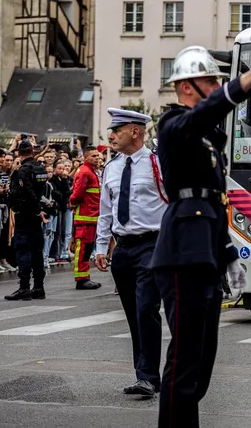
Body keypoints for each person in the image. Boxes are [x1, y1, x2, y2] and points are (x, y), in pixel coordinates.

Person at [151, 43, 251, 427]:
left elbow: (215, 202)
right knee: (183, 361)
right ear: (186, 87)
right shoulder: (173, 125)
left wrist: (229, 253)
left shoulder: (206, 137)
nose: (216, 86)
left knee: (200, 362)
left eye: (218, 80)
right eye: (210, 80)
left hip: (206, 253)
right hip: (182, 255)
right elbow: (207, 113)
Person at [95, 108, 167, 396]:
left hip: (152, 244)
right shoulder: (111, 168)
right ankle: (145, 373)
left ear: (135, 132)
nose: (111, 135)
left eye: (117, 130)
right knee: (133, 314)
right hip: (123, 249)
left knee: (146, 307)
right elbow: (105, 211)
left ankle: (147, 376)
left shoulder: (156, 164)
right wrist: (101, 247)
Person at [4, 140, 50, 301]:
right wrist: (39, 210)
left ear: (19, 152)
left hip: (25, 214)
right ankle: (39, 287)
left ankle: (24, 287)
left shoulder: (22, 171)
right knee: (37, 250)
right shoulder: (40, 168)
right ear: (32, 151)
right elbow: (40, 191)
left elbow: (25, 192)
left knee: (23, 249)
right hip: (36, 215)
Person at [69, 146, 103, 290]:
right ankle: (81, 279)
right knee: (82, 248)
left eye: (98, 156)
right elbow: (77, 194)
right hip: (85, 217)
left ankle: (85, 276)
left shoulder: (92, 172)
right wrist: (72, 204)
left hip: (91, 216)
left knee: (87, 248)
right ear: (86, 157)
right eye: (94, 156)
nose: (97, 158)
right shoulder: (85, 172)